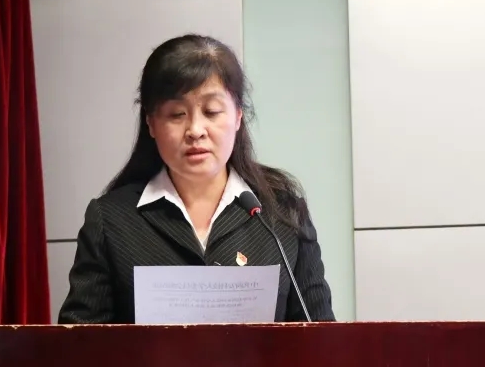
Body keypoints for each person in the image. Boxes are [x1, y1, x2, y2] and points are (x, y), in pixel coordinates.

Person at [57, 34, 334, 324]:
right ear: (151, 123)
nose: (195, 130)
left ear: (238, 116)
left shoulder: (282, 214)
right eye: (177, 114)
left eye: (211, 112)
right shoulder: (111, 220)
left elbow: (320, 336)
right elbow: (78, 342)